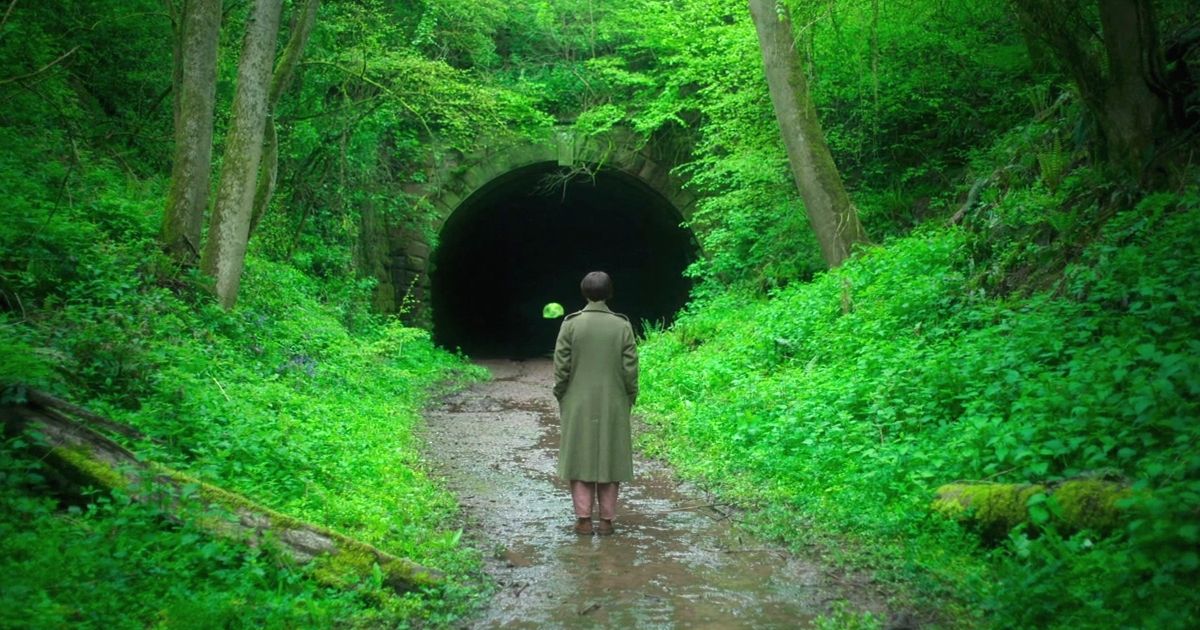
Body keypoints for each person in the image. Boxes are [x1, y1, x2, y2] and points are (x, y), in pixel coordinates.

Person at [553, 271, 638, 536]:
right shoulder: (622, 325)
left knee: (579, 458)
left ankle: (583, 520)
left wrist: (562, 394)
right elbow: (630, 369)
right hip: (614, 400)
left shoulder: (571, 324)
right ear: (610, 293)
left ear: (584, 293)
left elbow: (561, 367)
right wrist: (629, 397)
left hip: (577, 401)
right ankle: (607, 521)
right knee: (611, 458)